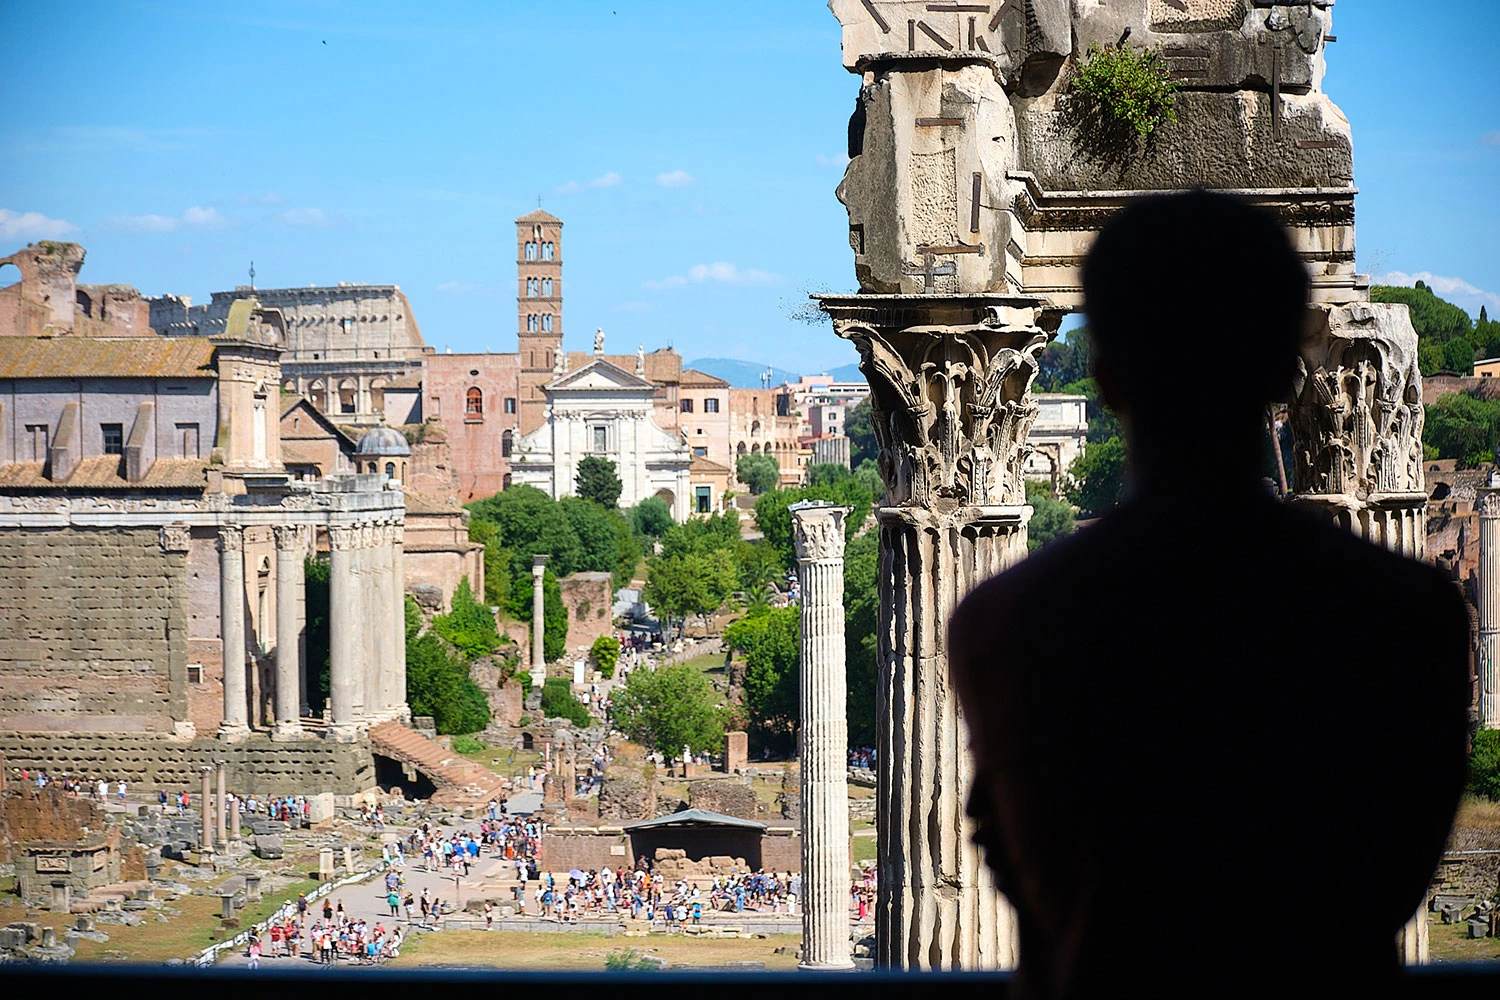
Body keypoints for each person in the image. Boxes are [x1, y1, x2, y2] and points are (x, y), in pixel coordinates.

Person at [948, 191, 1472, 999]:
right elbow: (1394, 882)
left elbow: (1030, 878)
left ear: (1106, 375)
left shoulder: (1010, 625)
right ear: (1279, 367)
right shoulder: (1411, 619)